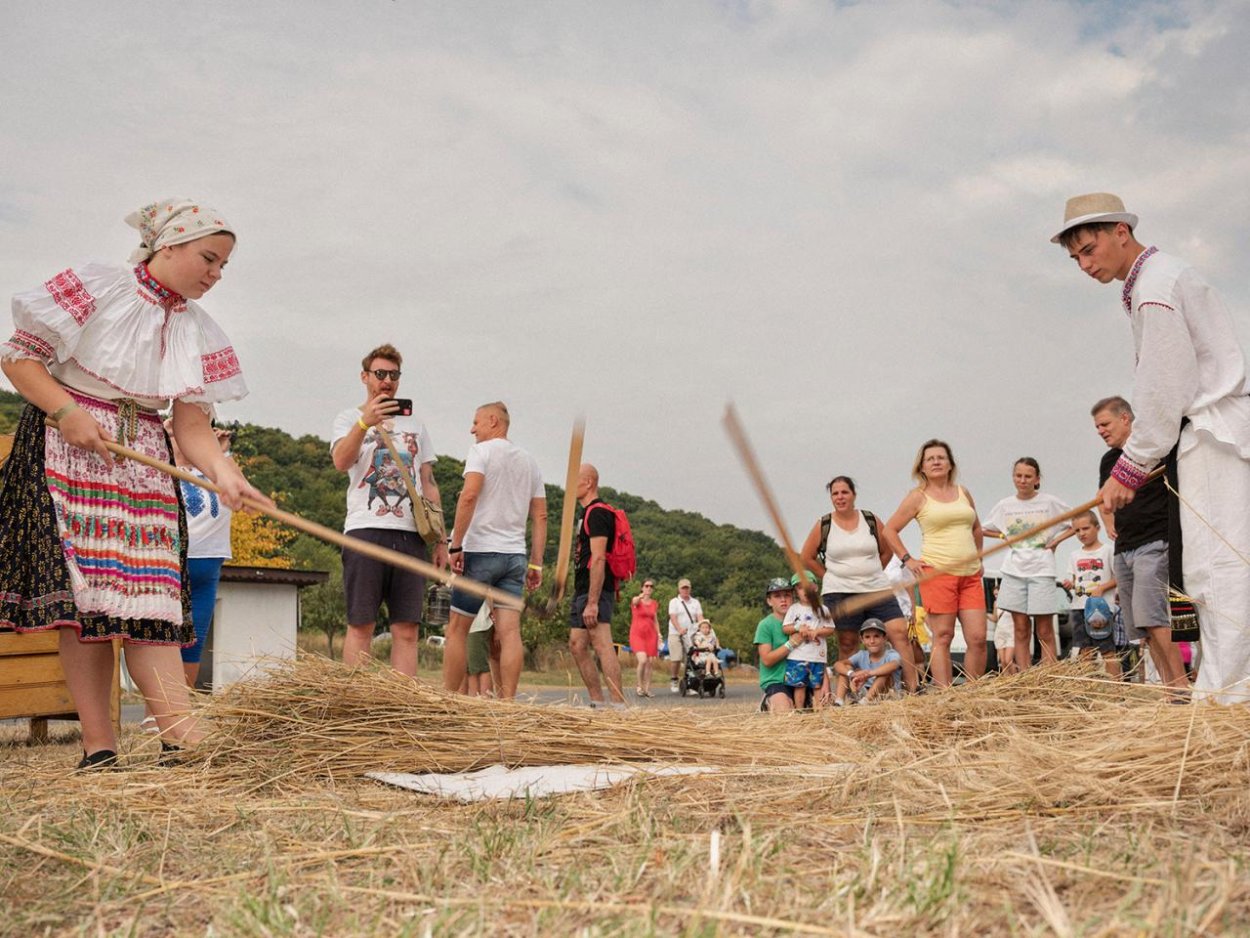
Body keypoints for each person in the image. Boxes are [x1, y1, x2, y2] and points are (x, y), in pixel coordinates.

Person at [0, 199, 268, 769]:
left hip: (143, 457)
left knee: (153, 597)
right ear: (168, 245)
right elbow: (21, 359)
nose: (215, 273)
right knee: (86, 604)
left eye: (222, 266)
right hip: (67, 447)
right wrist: (66, 412)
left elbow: (192, 424)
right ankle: (100, 747)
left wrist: (225, 475)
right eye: (208, 258)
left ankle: (180, 733)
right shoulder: (101, 285)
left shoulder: (198, 330)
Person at [1056, 193, 1250, 703]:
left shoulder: (1155, 286)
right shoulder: (1155, 280)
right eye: (1075, 257)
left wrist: (1130, 467)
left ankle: (1227, 698)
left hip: (1211, 432)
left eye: (1090, 248)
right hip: (1204, 434)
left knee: (1219, 567)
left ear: (1122, 231)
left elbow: (1164, 386)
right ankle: (1225, 688)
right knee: (1212, 568)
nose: (1084, 263)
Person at [330, 343, 448, 677]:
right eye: (380, 374)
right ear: (364, 377)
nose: (387, 381)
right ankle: (355, 701)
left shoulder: (416, 425)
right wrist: (364, 423)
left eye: (393, 375)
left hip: (411, 533)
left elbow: (428, 481)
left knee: (407, 627)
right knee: (361, 624)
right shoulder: (348, 419)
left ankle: (403, 707)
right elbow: (341, 461)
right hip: (365, 529)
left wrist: (442, 541)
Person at [444, 402, 546, 699]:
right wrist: (536, 564)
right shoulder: (529, 461)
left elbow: (469, 495)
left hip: (479, 552)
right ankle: (509, 702)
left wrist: (456, 544)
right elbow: (540, 515)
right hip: (514, 556)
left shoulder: (481, 452)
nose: (472, 429)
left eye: (475, 422)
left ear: (493, 421)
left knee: (457, 631)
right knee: (510, 633)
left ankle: (449, 700)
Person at [1089, 396, 1187, 692]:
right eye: (1097, 428)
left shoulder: (1153, 449)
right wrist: (1107, 524)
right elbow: (1102, 497)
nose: (1101, 431)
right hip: (1124, 550)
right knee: (1141, 628)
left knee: (1153, 617)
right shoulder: (1108, 460)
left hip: (1154, 541)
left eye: (1105, 424)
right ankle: (1168, 691)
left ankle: (1181, 689)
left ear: (1126, 419)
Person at [883, 439, 988, 687]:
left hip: (969, 574)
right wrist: (908, 560)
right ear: (922, 467)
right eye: (930, 459)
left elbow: (976, 528)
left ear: (950, 463)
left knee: (978, 637)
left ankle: (974, 692)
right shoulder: (918, 497)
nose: (936, 462)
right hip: (937, 572)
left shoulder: (963, 492)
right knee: (943, 636)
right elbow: (890, 530)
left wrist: (979, 557)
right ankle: (945, 693)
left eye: (941, 457)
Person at [800, 475, 917, 693]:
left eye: (844, 492)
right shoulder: (824, 524)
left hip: (876, 588)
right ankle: (846, 695)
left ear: (854, 495)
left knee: (898, 631)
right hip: (840, 591)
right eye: (835, 493)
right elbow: (807, 557)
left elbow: (887, 548)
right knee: (847, 642)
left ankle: (913, 689)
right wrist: (829, 575)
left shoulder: (870, 518)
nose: (840, 497)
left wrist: (874, 571)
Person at [983, 458, 1072, 672]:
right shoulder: (1005, 505)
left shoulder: (1049, 502)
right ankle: (1024, 674)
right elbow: (983, 528)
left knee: (1044, 629)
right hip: (1014, 571)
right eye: (1018, 476)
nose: (1022, 480)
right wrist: (1004, 535)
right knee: (1021, 627)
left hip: (1041, 569)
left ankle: (1049, 674)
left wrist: (1057, 541)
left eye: (1027, 476)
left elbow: (1078, 521)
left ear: (1037, 479)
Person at [166, 420, 235, 690]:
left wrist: (222, 452)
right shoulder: (162, 464)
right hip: (171, 563)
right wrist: (168, 436)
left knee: (194, 642)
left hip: (208, 564)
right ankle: (155, 712)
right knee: (164, 639)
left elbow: (241, 490)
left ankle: (179, 709)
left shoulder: (217, 470)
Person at [568, 463, 626, 707]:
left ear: (589, 482)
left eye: (574, 479)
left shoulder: (598, 513)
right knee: (577, 644)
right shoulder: (585, 514)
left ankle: (619, 705)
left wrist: (593, 602)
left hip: (596, 590)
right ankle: (598, 703)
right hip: (583, 588)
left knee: (602, 643)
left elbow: (600, 557)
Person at [1062, 510, 1122, 679]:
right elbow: (1076, 581)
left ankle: (1118, 690)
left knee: (1107, 650)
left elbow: (1119, 577)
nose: (1082, 533)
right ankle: (1087, 690)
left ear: (1097, 528)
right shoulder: (1074, 555)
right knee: (1084, 651)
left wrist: (1102, 588)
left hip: (1101, 608)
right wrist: (1070, 584)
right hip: (1079, 607)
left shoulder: (1108, 551)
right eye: (1077, 531)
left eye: (1086, 528)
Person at [781, 574, 833, 709]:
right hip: (798, 656)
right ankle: (799, 711)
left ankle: (819, 712)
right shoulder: (794, 609)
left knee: (817, 686)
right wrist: (798, 628)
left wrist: (818, 632)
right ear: (796, 592)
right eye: (799, 588)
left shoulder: (823, 609)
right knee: (799, 686)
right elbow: (786, 628)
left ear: (815, 588)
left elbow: (830, 628)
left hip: (817, 656)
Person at [754, 577, 798, 713]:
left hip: (801, 677)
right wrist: (792, 643)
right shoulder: (765, 625)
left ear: (793, 598)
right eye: (777, 596)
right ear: (769, 601)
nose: (783, 599)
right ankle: (768, 701)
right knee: (786, 712)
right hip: (776, 680)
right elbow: (766, 659)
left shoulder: (801, 621)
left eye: (787, 595)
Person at [832, 619, 903, 703]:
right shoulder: (862, 655)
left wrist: (868, 674)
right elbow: (837, 664)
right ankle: (839, 702)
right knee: (846, 668)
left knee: (884, 673)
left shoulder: (891, 654)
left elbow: (894, 665)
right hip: (865, 691)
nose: (872, 641)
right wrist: (852, 674)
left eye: (876, 636)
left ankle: (866, 701)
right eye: (867, 637)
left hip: (888, 695)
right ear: (862, 639)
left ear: (884, 638)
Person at [667, 578, 702, 693]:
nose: (685, 590)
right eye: (683, 588)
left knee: (692, 658)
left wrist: (702, 629)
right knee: (676, 658)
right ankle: (674, 679)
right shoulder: (674, 602)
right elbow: (673, 617)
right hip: (676, 632)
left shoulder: (695, 602)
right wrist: (679, 629)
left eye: (687, 588)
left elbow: (700, 617)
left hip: (691, 633)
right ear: (679, 589)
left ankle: (690, 682)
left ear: (690, 589)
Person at [629, 578, 663, 697]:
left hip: (651, 635)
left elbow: (655, 620)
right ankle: (639, 685)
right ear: (642, 587)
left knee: (649, 662)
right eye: (646, 586)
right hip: (637, 634)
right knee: (642, 660)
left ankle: (647, 688)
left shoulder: (654, 603)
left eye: (651, 586)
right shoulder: (637, 600)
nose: (649, 588)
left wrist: (659, 634)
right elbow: (634, 601)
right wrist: (641, 596)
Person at [464, 602, 495, 697]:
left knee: (480, 666)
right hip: (469, 624)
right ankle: (474, 699)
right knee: (471, 667)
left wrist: (494, 615)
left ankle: (486, 700)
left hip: (478, 624)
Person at [988, 583, 1016, 676]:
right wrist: (985, 615)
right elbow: (995, 618)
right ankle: (1007, 683)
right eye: (995, 594)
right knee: (1003, 661)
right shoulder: (996, 603)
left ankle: (1016, 679)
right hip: (1000, 632)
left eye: (998, 594)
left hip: (1011, 633)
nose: (996, 596)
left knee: (1008, 660)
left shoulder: (1011, 603)